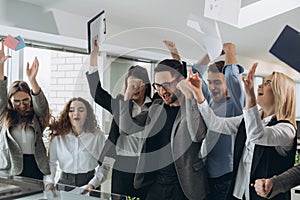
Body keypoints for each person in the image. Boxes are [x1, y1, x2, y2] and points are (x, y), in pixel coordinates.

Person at [181, 62, 297, 200]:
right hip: (238, 194)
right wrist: (198, 93)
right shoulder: (247, 119)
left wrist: (250, 99)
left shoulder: (287, 129)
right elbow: (214, 123)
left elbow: (257, 135)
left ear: (280, 92)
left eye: (268, 83)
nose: (260, 85)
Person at [164, 41, 245, 200]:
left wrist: (230, 52)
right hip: (205, 173)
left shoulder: (237, 105)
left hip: (225, 178)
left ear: (227, 84)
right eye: (210, 82)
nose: (212, 87)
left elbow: (232, 78)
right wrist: (211, 53)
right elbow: (194, 74)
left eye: (217, 82)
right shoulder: (210, 100)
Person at [122, 59, 209, 200]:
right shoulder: (156, 108)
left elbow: (198, 135)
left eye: (166, 85)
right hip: (156, 186)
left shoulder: (194, 107)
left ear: (180, 82)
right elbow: (127, 127)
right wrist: (128, 93)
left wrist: (190, 97)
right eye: (158, 86)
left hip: (185, 189)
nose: (162, 91)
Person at [84, 40, 152, 199]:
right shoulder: (120, 105)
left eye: (138, 84)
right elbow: (97, 94)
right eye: (131, 84)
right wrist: (94, 56)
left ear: (146, 85)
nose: (135, 87)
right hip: (123, 165)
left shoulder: (155, 106)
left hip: (147, 166)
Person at [0, 41, 51, 185]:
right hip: (11, 169)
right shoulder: (3, 116)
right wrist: (1, 66)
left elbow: (42, 107)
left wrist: (32, 80)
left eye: (26, 100)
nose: (22, 105)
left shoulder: (36, 117)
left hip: (36, 167)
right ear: (10, 101)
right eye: (16, 101)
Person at [45, 97, 106, 189]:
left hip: (90, 183)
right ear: (67, 114)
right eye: (71, 110)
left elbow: (105, 164)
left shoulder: (98, 136)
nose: (76, 113)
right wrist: (49, 183)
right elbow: (51, 163)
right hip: (64, 183)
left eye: (81, 110)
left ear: (87, 114)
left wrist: (93, 183)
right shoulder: (58, 136)